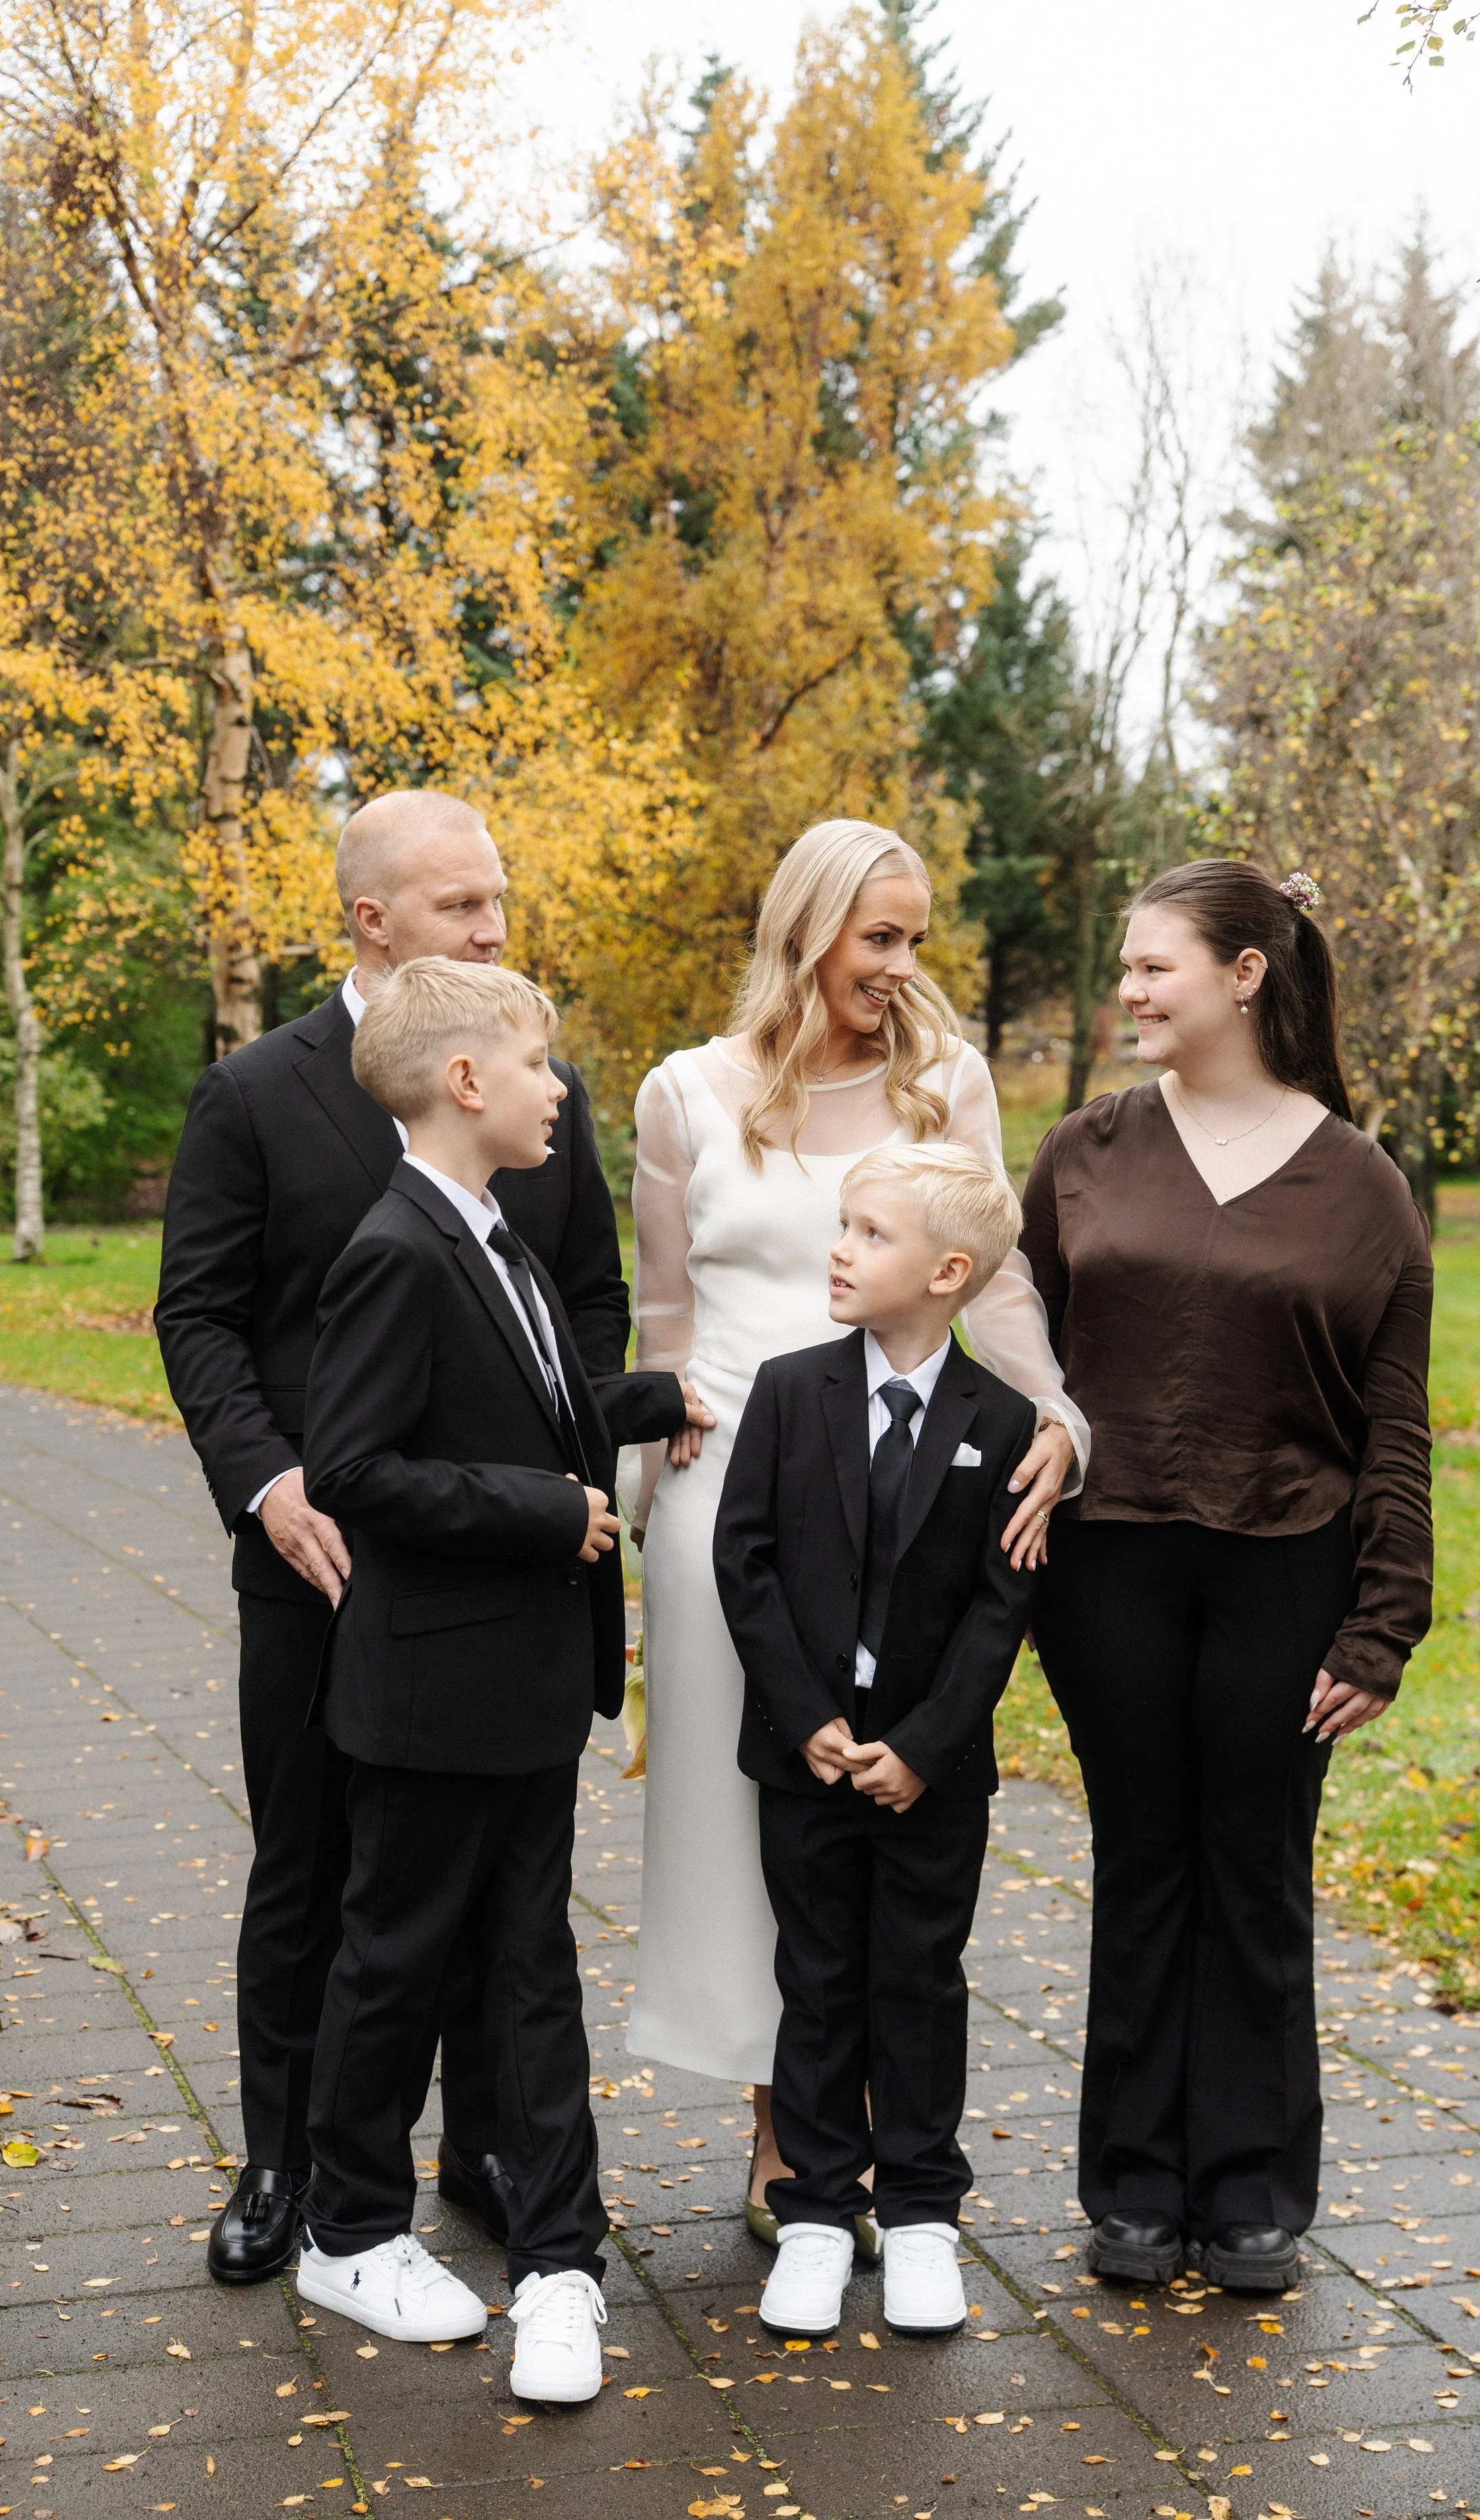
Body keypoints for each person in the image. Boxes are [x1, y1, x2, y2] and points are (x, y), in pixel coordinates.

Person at [155, 789, 692, 2283]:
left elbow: (576, 1298)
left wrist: (571, 1461)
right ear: (369, 917)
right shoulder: (256, 1093)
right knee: (316, 1864)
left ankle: (489, 2150)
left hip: (499, 1564)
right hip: (318, 1553)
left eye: (499, 898)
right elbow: (198, 1312)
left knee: (488, 1876)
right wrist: (272, 1483)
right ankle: (293, 2160)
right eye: (461, 904)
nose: (494, 924)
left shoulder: (533, 1087)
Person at [628, 816, 1090, 2239]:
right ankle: (784, 2128)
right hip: (734, 1504)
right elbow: (663, 1307)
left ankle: (889, 2125)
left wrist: (1061, 1420)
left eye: (912, 939)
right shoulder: (684, 1093)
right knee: (750, 1820)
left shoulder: (943, 1082)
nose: (899, 966)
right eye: (877, 937)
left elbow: (992, 1283)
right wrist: (657, 1455)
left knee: (888, 1804)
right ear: (806, 930)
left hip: (910, 1491)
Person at [1019, 859, 1434, 2294]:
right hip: (1107, 1565)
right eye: (1125, 967)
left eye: (1151, 966)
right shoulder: (1082, 1149)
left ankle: (1253, 2187)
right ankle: (1132, 2187)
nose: (1126, 990)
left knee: (1252, 1873)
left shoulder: (1362, 1181)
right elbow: (1020, 1363)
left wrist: (1382, 1623)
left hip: (1287, 1569)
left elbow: (1393, 1418)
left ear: (1242, 974)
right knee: (1141, 1865)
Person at [296, 958, 699, 2389]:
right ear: (465, 1082)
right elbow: (350, 1467)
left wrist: (643, 1405)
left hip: (520, 1690)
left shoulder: (495, 1235)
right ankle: (347, 2231)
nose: (558, 1089)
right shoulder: (397, 1248)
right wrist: (544, 1514)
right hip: (427, 1698)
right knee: (397, 1961)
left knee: (531, 1973)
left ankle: (558, 2262)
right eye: (540, 1064)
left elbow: (522, 1405)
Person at [714, 1142, 1040, 2342]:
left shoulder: (1001, 1422)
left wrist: (924, 1744)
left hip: (928, 1772)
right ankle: (811, 2211)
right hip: (805, 1757)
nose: (838, 1250)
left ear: (948, 1271)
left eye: (868, 1233)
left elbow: (1002, 1605)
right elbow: (741, 1560)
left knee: (918, 1976)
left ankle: (919, 2216)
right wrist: (809, 1719)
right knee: (817, 1976)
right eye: (841, 1226)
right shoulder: (790, 1389)